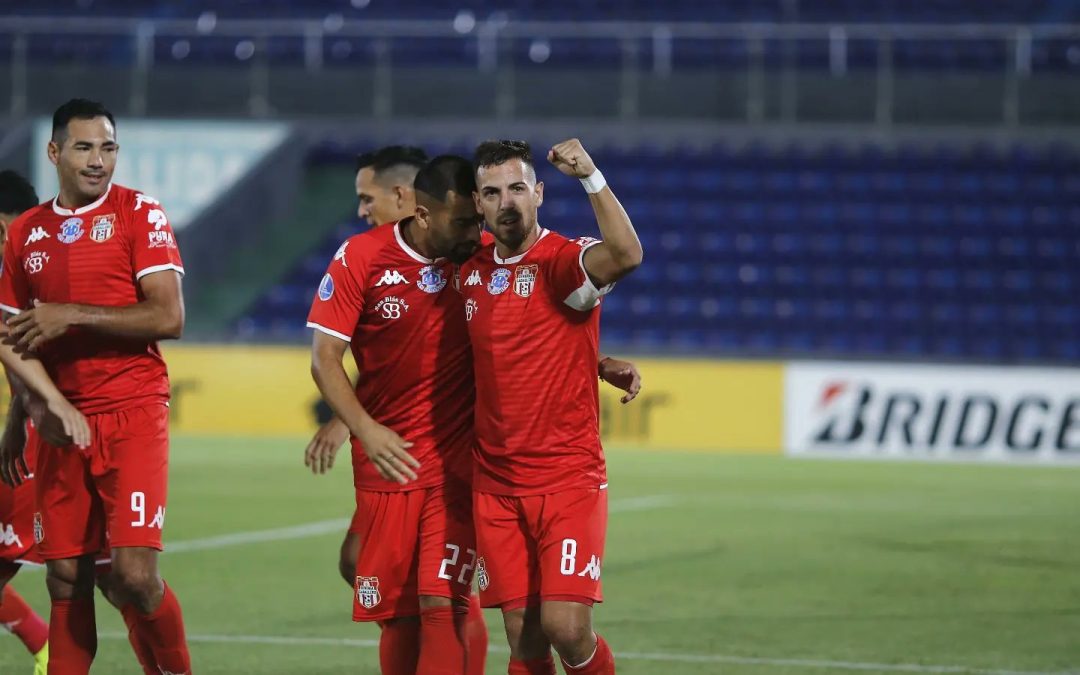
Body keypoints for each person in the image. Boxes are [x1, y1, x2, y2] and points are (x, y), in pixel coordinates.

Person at [0, 99, 191, 675]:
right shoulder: (27, 233)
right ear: (55, 152)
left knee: (132, 575)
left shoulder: (140, 214)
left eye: (108, 147)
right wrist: (19, 421)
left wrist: (71, 314)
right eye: (84, 147)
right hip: (60, 424)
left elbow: (168, 317)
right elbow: (13, 334)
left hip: (132, 411)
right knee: (66, 576)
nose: (97, 160)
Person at [459, 139, 642, 675]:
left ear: (538, 193)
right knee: (523, 638)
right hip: (494, 484)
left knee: (565, 627)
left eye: (517, 188)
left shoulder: (561, 262)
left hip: (566, 480)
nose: (507, 202)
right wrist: (598, 360)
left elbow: (628, 255)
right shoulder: (467, 271)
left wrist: (590, 176)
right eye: (492, 193)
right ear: (477, 204)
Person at [0, 169, 50, 675]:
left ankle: (49, 648)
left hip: (40, 433)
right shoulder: (52, 251)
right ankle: (46, 646)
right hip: (45, 426)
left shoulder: (25, 266)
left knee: (117, 576)